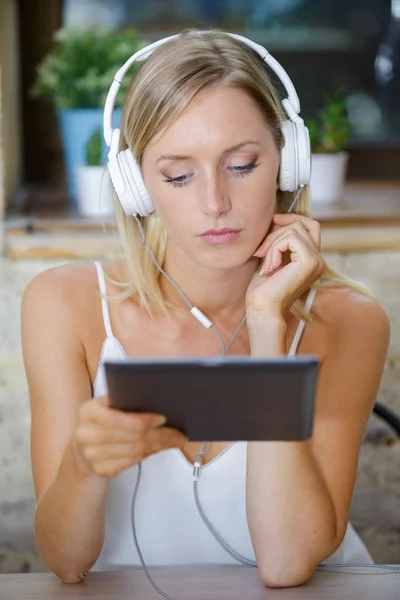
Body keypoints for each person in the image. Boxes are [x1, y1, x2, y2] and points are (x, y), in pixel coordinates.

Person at [21, 29, 389, 590]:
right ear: (136, 185)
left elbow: (286, 563)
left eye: (241, 165)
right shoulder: (64, 305)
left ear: (288, 163)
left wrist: (268, 326)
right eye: (178, 175)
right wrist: (84, 463)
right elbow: (66, 563)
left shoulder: (351, 322)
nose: (214, 203)